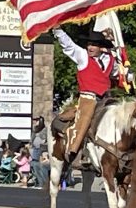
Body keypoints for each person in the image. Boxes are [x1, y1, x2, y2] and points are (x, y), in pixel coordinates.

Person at [52, 27, 119, 176]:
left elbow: (115, 75)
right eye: (89, 44)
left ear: (101, 47)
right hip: (88, 98)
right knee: (85, 120)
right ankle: (76, 151)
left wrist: (127, 76)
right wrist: (58, 31)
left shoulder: (111, 60)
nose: (90, 47)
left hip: (106, 98)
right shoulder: (82, 56)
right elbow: (69, 46)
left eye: (94, 45)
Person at [29, 116, 48, 187]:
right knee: (34, 165)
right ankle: (40, 183)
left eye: (37, 120)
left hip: (41, 151)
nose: (35, 122)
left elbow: (44, 139)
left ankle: (44, 183)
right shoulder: (34, 130)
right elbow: (31, 140)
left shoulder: (45, 130)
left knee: (41, 167)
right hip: (34, 150)